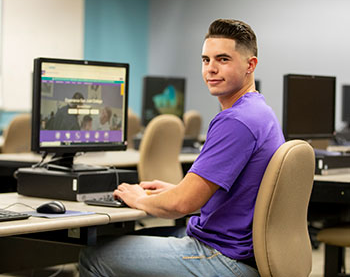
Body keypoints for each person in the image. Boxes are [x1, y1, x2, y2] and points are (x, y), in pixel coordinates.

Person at [79, 19, 285, 277]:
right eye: (205, 60)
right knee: (129, 241)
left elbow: (182, 205)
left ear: (250, 65)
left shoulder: (236, 120)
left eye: (222, 59)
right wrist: (177, 190)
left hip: (223, 256)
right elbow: (227, 193)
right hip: (244, 250)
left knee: (94, 255)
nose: (211, 69)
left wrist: (140, 198)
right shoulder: (260, 111)